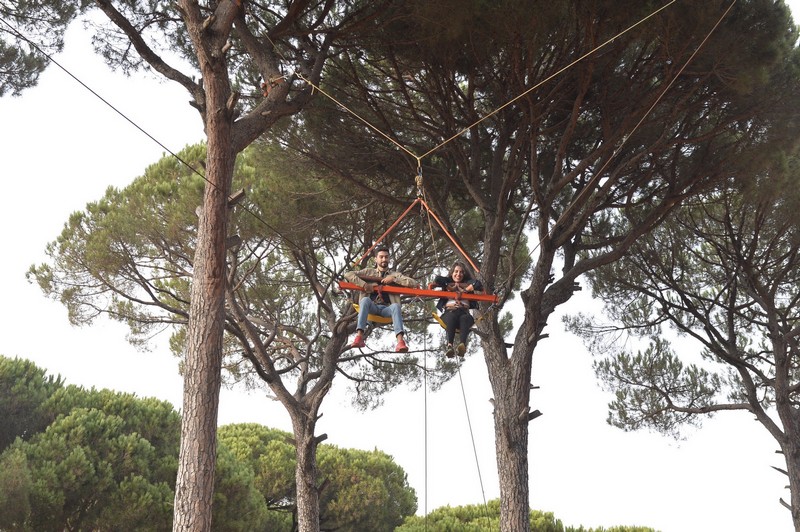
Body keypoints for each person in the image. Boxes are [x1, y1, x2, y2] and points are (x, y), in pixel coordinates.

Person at [344, 246, 418, 352]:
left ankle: (400, 342)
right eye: (381, 257)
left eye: (386, 257)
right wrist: (364, 284)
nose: (384, 259)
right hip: (372, 307)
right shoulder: (368, 272)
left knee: (396, 306)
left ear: (389, 259)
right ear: (376, 259)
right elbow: (348, 274)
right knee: (365, 300)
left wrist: (394, 279)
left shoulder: (395, 274)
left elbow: (413, 283)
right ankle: (359, 336)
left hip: (386, 309)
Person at [429, 261, 483, 358]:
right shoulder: (447, 281)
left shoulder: (467, 283)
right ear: (452, 273)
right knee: (451, 316)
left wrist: (465, 290)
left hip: (464, 312)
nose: (458, 274)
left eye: (461, 272)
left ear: (464, 274)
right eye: (456, 271)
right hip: (450, 311)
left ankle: (462, 345)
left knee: (465, 318)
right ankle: (450, 345)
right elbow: (438, 279)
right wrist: (450, 287)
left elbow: (477, 284)